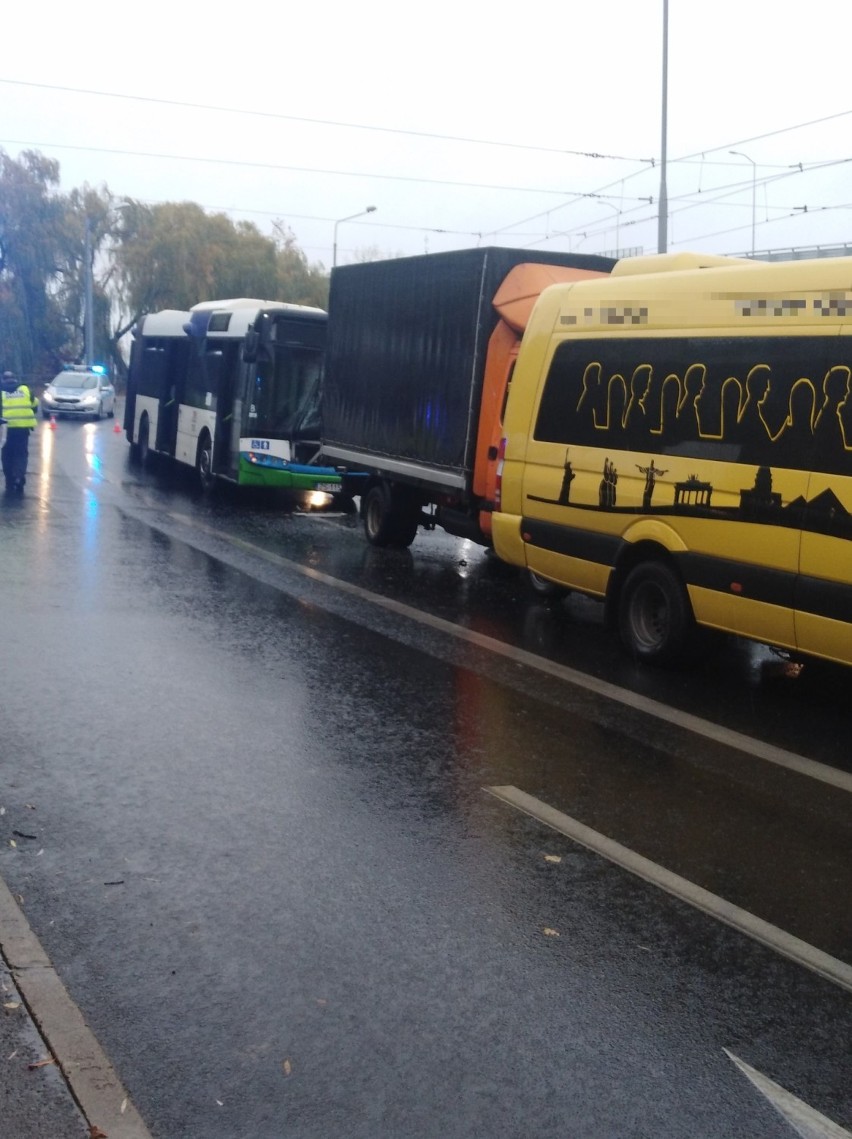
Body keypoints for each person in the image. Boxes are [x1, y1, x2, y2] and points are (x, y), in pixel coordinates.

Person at [0, 371, 38, 494]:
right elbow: (35, 404)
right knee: (21, 454)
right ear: (15, 379)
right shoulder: (25, 389)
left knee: (7, 455)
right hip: (22, 428)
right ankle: (19, 476)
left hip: (5, 430)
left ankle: (9, 480)